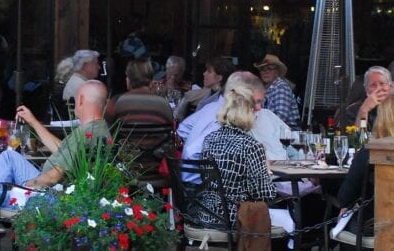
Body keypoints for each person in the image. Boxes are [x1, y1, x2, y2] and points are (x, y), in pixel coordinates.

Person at [0, 81, 111, 251]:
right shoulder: (96, 128)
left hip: (50, 194)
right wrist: (33, 121)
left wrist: (20, 187)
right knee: (9, 157)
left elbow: (52, 177)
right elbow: (61, 150)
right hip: (58, 190)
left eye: (75, 100)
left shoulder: (86, 132)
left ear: (82, 99)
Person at [190, 78, 294, 243]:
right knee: (289, 222)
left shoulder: (210, 139)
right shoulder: (251, 146)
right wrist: (266, 168)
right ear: (247, 112)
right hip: (235, 219)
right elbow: (266, 194)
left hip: (204, 214)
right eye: (254, 109)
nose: (258, 111)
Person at [336, 94, 394, 250]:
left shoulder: (370, 152)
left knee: (345, 214)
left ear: (382, 120)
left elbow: (345, 196)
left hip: (373, 224)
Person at [107, 58, 171, 124]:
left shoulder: (116, 101)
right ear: (151, 80)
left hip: (126, 134)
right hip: (155, 134)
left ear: (129, 79)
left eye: (126, 76)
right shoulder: (164, 104)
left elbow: (106, 126)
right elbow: (171, 127)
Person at [254, 54, 301, 130]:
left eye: (269, 69)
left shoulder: (281, 87)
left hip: (288, 134)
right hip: (272, 131)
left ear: (277, 72)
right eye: (262, 69)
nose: (265, 72)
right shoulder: (263, 89)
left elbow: (280, 118)